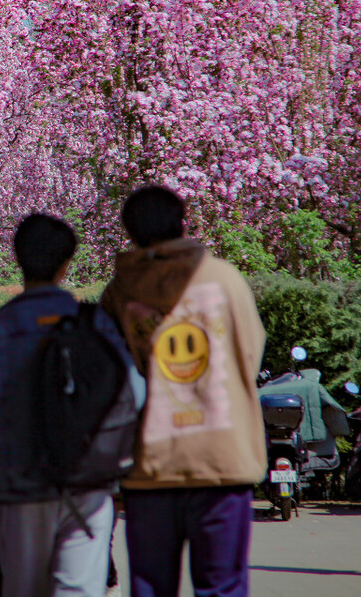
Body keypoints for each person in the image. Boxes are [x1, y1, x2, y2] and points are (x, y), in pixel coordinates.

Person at [0, 213, 140, 597]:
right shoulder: (94, 324)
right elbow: (134, 395)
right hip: (88, 479)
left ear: (17, 257)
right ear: (66, 263)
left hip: (20, 482)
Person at [99, 186, 266, 597]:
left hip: (151, 464)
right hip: (222, 458)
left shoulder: (120, 292)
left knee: (151, 587)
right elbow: (249, 355)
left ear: (129, 231)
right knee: (222, 587)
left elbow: (110, 377)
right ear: (182, 222)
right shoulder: (224, 279)